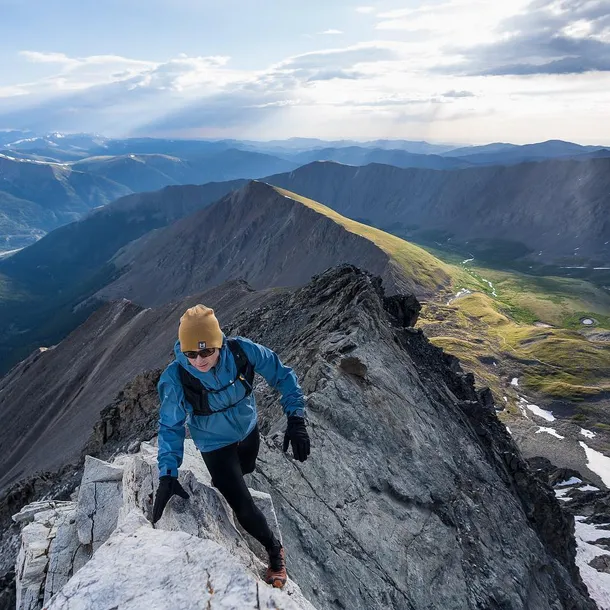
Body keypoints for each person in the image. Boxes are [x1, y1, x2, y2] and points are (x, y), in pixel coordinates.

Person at [152, 304, 310, 588]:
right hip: (214, 445)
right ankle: (274, 552)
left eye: (206, 351)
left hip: (248, 432)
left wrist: (296, 418)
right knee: (244, 505)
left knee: (246, 468)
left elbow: (282, 375)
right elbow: (170, 426)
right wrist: (167, 473)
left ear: (218, 343)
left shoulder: (242, 352)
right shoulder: (176, 378)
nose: (198, 360)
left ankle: (230, 482)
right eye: (190, 354)